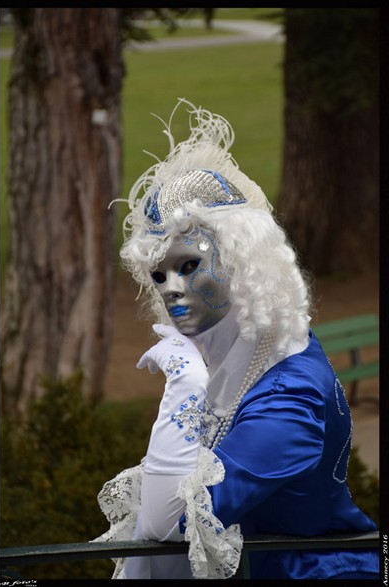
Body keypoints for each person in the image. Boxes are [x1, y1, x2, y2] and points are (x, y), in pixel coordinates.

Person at [92, 99, 379, 580]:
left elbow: (168, 525)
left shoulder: (291, 397)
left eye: (189, 266)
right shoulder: (254, 348)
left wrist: (181, 383)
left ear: (244, 263)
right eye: (159, 276)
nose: (172, 290)